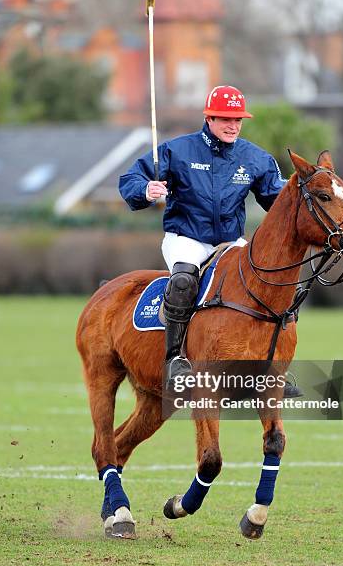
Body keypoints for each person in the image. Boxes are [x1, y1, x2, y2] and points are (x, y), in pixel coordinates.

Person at [119, 85, 302, 398]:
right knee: (182, 281)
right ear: (209, 118)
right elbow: (131, 179)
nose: (232, 126)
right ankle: (175, 359)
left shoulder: (255, 158)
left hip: (230, 241)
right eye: (225, 119)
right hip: (186, 237)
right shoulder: (176, 151)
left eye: (238, 120)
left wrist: (305, 197)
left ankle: (271, 367)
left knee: (276, 284)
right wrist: (145, 190)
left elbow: (278, 200)